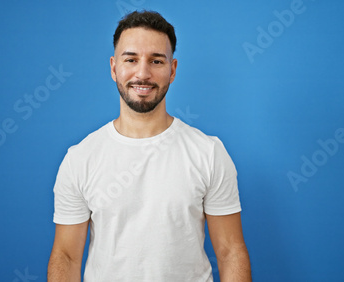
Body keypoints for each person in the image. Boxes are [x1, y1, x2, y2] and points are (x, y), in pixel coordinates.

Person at [47, 10, 251, 282]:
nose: (142, 73)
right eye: (131, 59)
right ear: (113, 67)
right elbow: (67, 256)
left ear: (173, 69)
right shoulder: (80, 158)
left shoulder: (209, 153)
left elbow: (230, 252)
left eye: (156, 60)